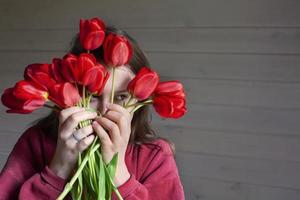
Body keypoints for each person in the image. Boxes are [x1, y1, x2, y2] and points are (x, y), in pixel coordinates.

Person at [0, 26, 185, 200]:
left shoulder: (154, 156)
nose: (105, 110)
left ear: (140, 99)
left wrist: (118, 171)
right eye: (93, 96)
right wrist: (59, 169)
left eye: (121, 97)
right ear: (69, 89)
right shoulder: (36, 142)